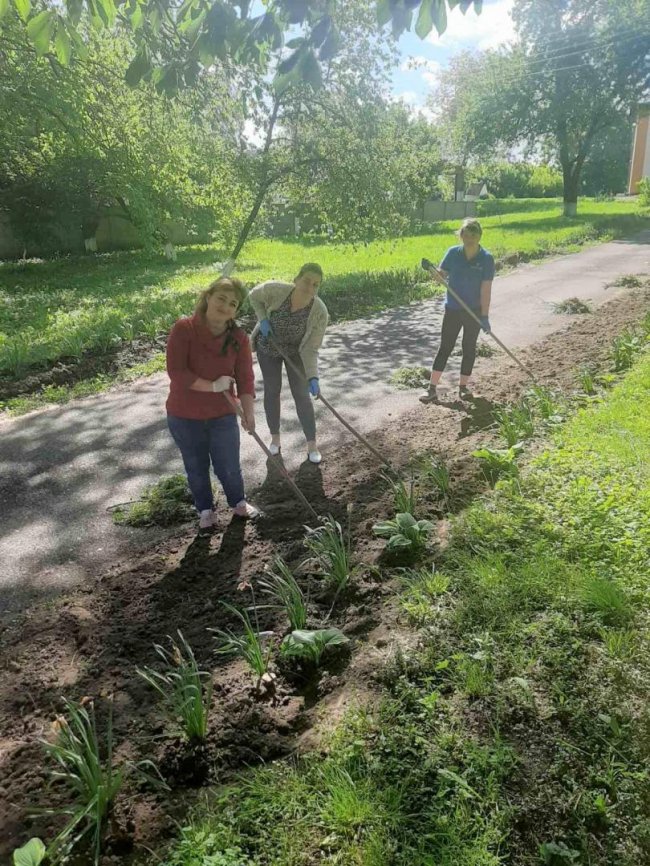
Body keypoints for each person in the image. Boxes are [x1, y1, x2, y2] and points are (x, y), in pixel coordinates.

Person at [166, 276, 259, 530]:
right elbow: (177, 372)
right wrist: (212, 386)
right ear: (208, 297)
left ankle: (238, 502)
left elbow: (245, 379)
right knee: (196, 467)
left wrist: (248, 414)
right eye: (221, 298)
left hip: (222, 414)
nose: (226, 306)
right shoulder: (184, 329)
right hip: (184, 415)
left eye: (233, 303)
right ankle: (205, 511)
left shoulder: (239, 338)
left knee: (228, 464)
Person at [250, 263, 329, 464]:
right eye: (306, 281)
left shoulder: (319, 312)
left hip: (296, 352)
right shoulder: (276, 290)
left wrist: (312, 376)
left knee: (302, 394)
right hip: (268, 347)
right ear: (296, 279)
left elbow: (311, 348)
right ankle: (275, 438)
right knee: (273, 389)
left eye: (316, 285)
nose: (310, 288)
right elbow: (253, 296)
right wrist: (263, 319)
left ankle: (312, 445)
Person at [420, 218, 495, 404]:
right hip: (453, 309)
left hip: (474, 311)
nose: (470, 239)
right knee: (445, 347)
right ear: (461, 235)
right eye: (466, 235)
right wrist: (434, 272)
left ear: (479, 236)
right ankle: (432, 389)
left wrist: (484, 316)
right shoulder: (453, 254)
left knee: (468, 348)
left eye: (474, 235)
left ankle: (463, 388)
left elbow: (486, 289)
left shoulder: (486, 259)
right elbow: (442, 276)